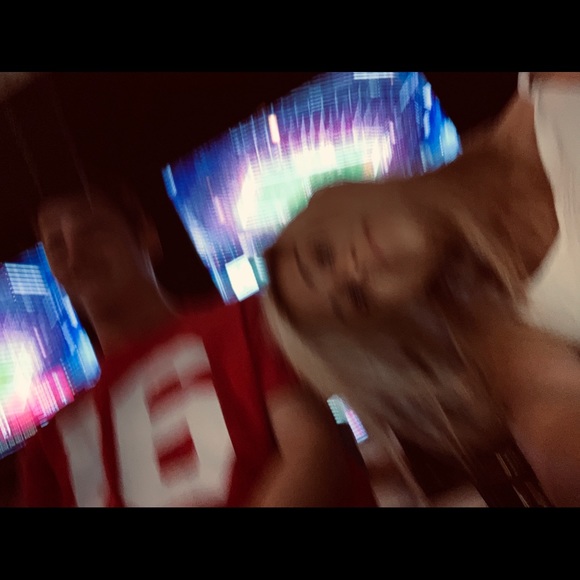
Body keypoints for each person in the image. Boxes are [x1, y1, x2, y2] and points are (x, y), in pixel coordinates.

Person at [261, 72, 580, 507]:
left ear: (330, 199)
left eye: (323, 254)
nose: (353, 271)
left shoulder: (542, 91)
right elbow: (555, 425)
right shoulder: (507, 338)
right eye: (355, 298)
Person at [13, 173, 378, 507]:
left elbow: (313, 452)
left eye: (93, 231)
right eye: (56, 245)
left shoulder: (249, 320)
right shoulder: (47, 445)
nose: (75, 255)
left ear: (147, 235)